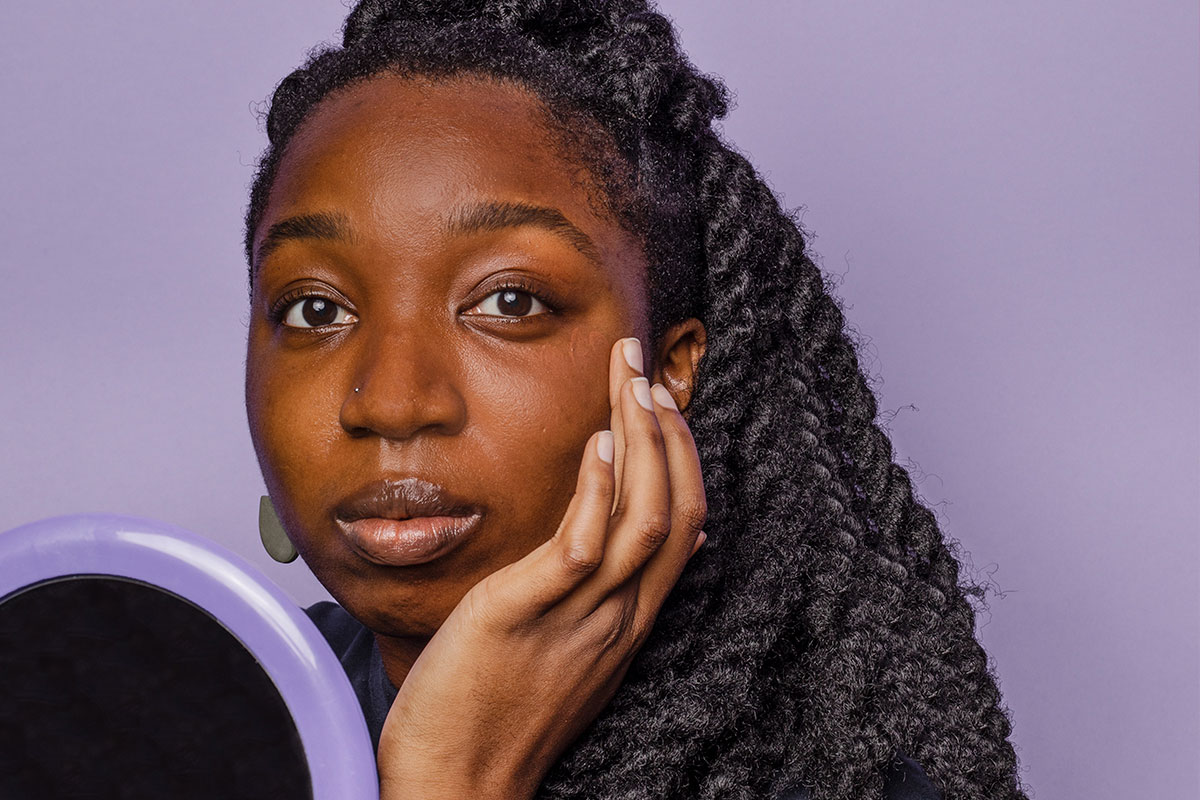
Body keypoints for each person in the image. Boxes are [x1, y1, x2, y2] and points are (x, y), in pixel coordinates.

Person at [242, 1, 1028, 798]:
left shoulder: (831, 777)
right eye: (316, 309)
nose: (392, 401)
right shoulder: (195, 710)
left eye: (511, 302)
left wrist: (453, 779)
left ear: (671, 368)